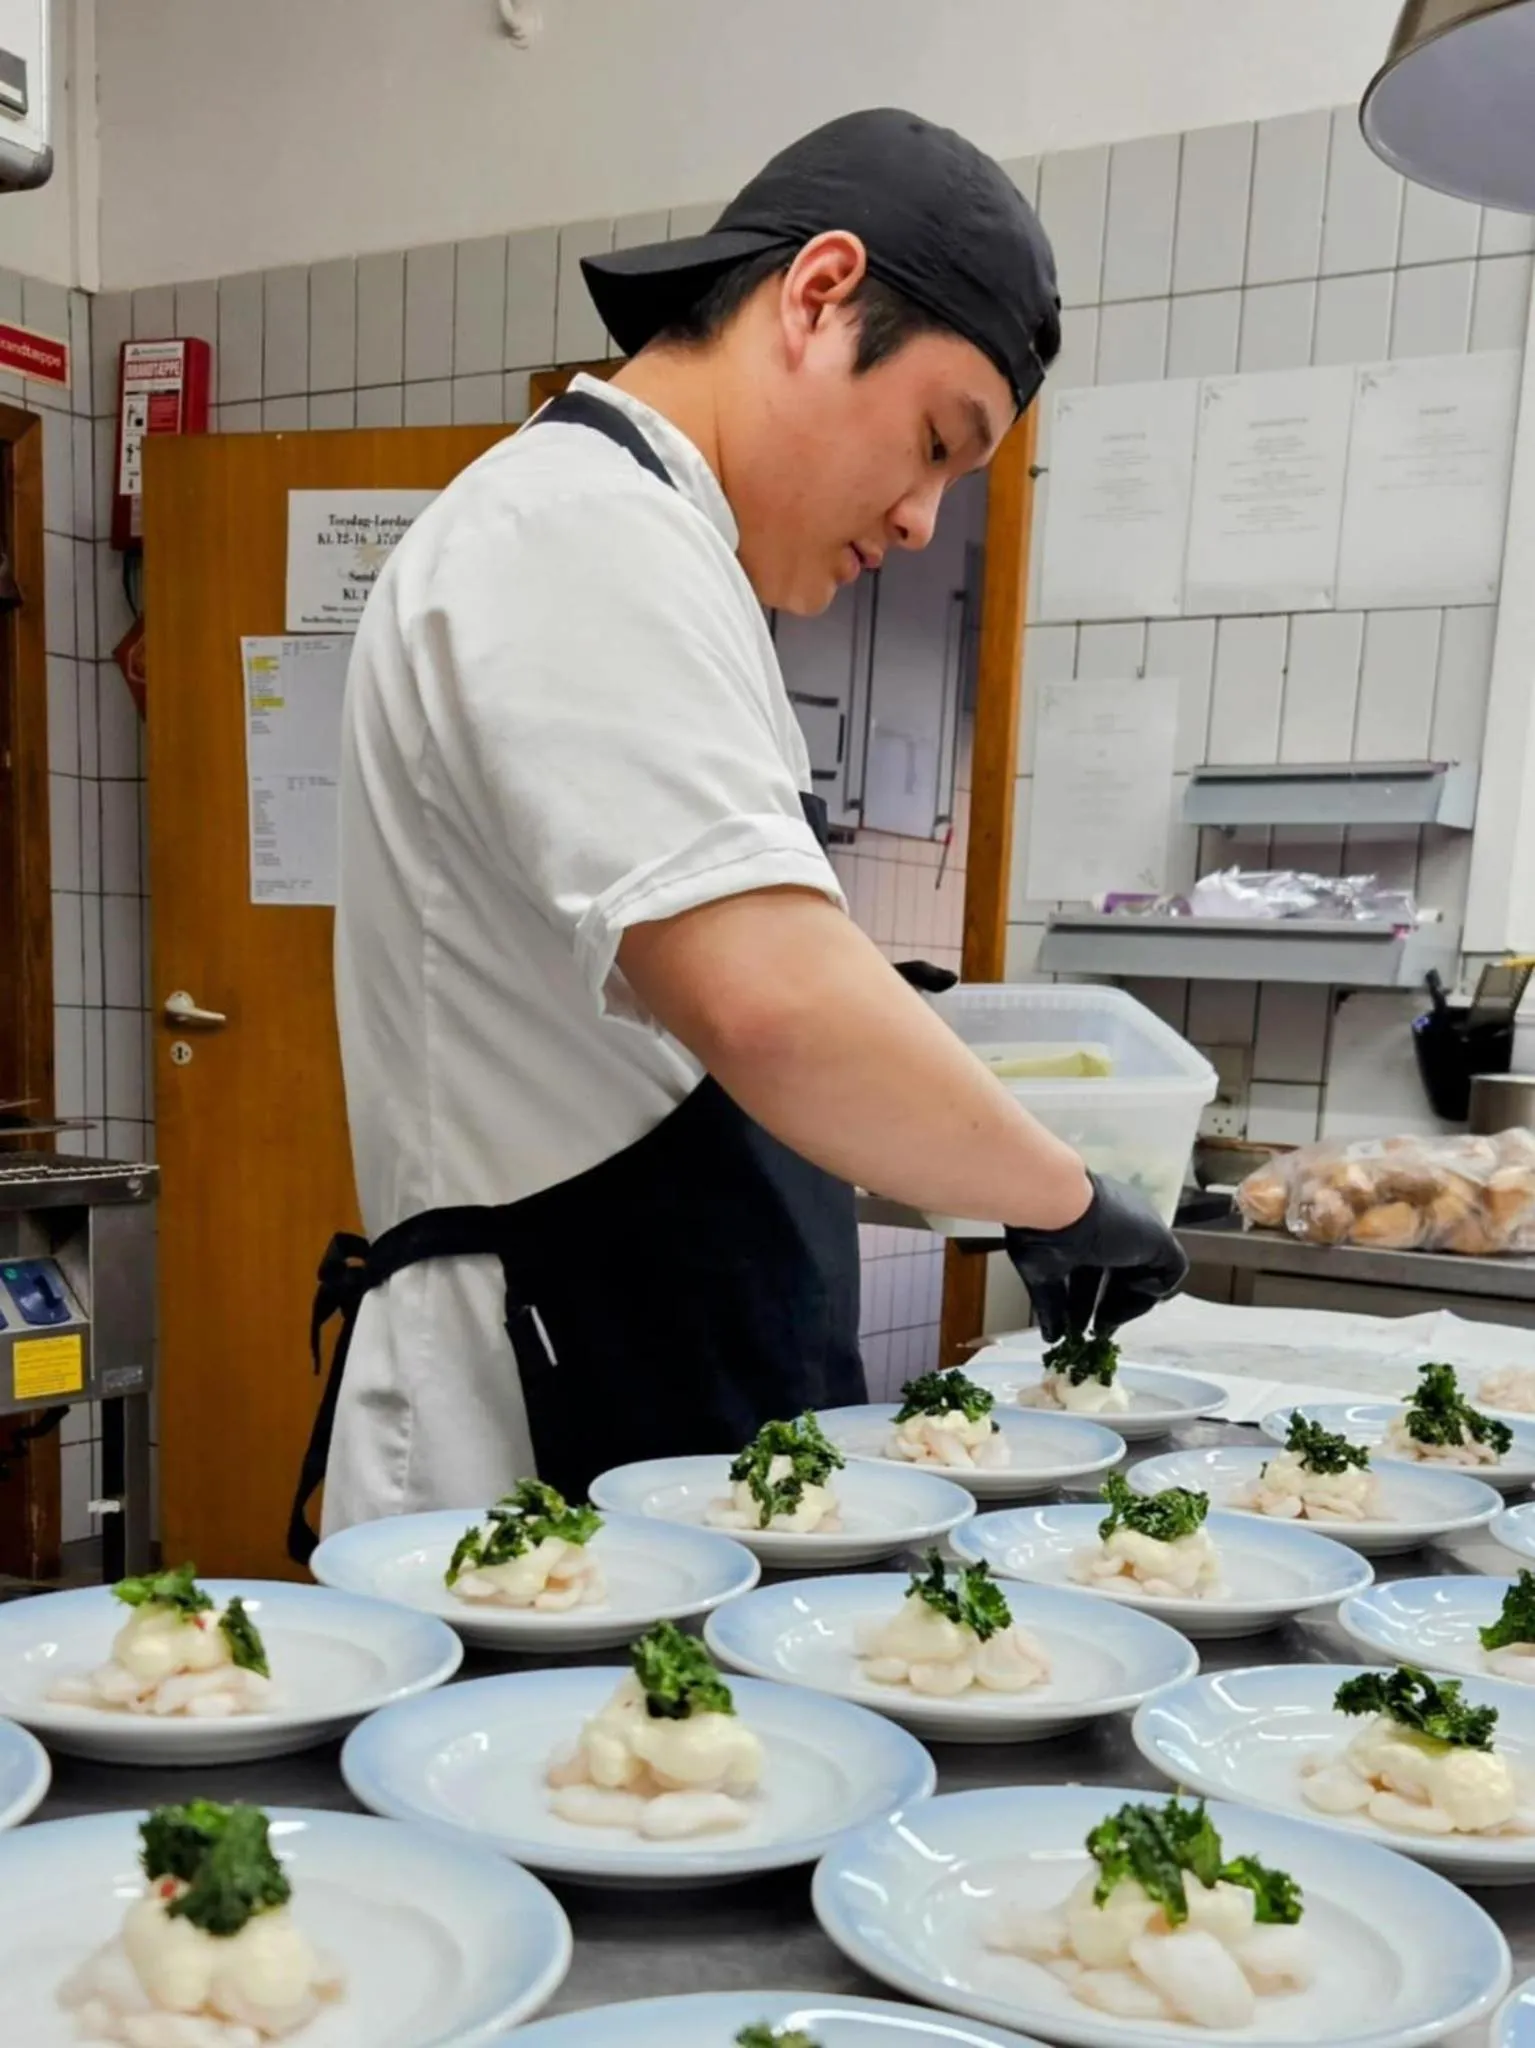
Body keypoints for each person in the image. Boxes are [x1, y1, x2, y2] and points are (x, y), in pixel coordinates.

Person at [289, 107, 1186, 1560]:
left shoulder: (656, 549)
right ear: (819, 293)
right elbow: (769, 1002)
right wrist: (1066, 1197)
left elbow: (698, 1042)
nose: (918, 520)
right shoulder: (578, 529)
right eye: (934, 444)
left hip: (625, 1379)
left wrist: (983, 1174)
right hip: (536, 1411)